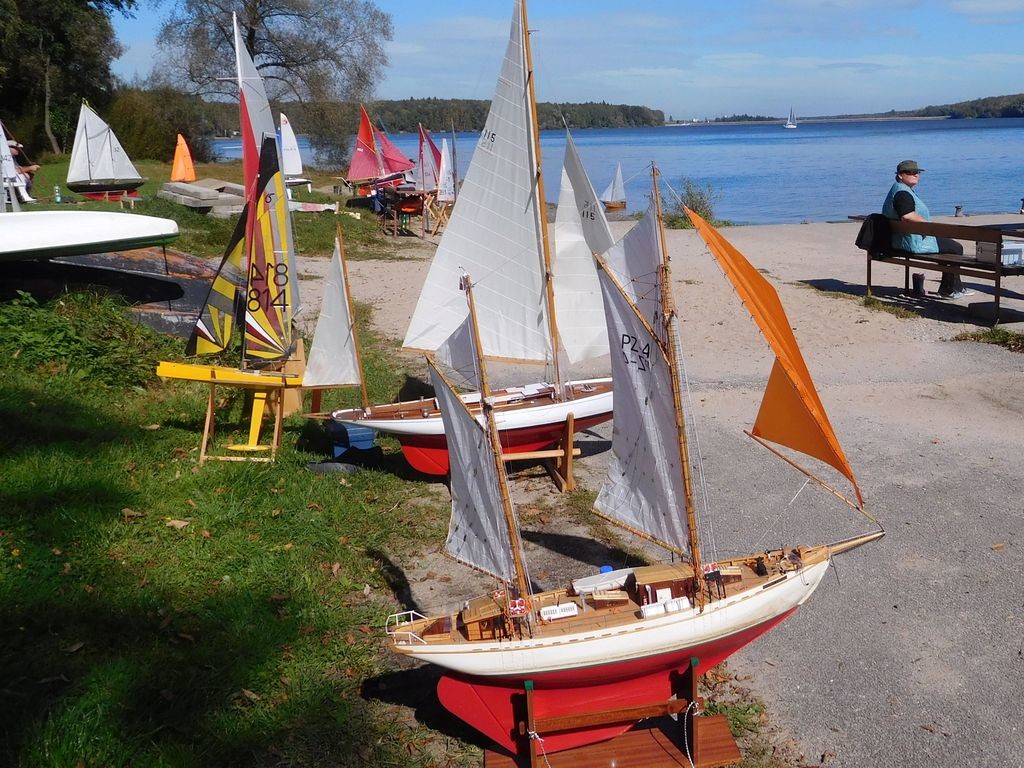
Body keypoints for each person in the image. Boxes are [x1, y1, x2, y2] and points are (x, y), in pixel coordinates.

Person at [882, 159, 973, 299]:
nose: (916, 175)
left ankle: (952, 288)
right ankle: (950, 289)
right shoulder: (902, 193)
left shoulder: (899, 190)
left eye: (917, 172)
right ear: (900, 175)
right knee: (955, 248)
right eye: (910, 172)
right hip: (911, 242)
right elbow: (907, 216)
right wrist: (928, 226)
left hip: (903, 238)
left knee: (949, 246)